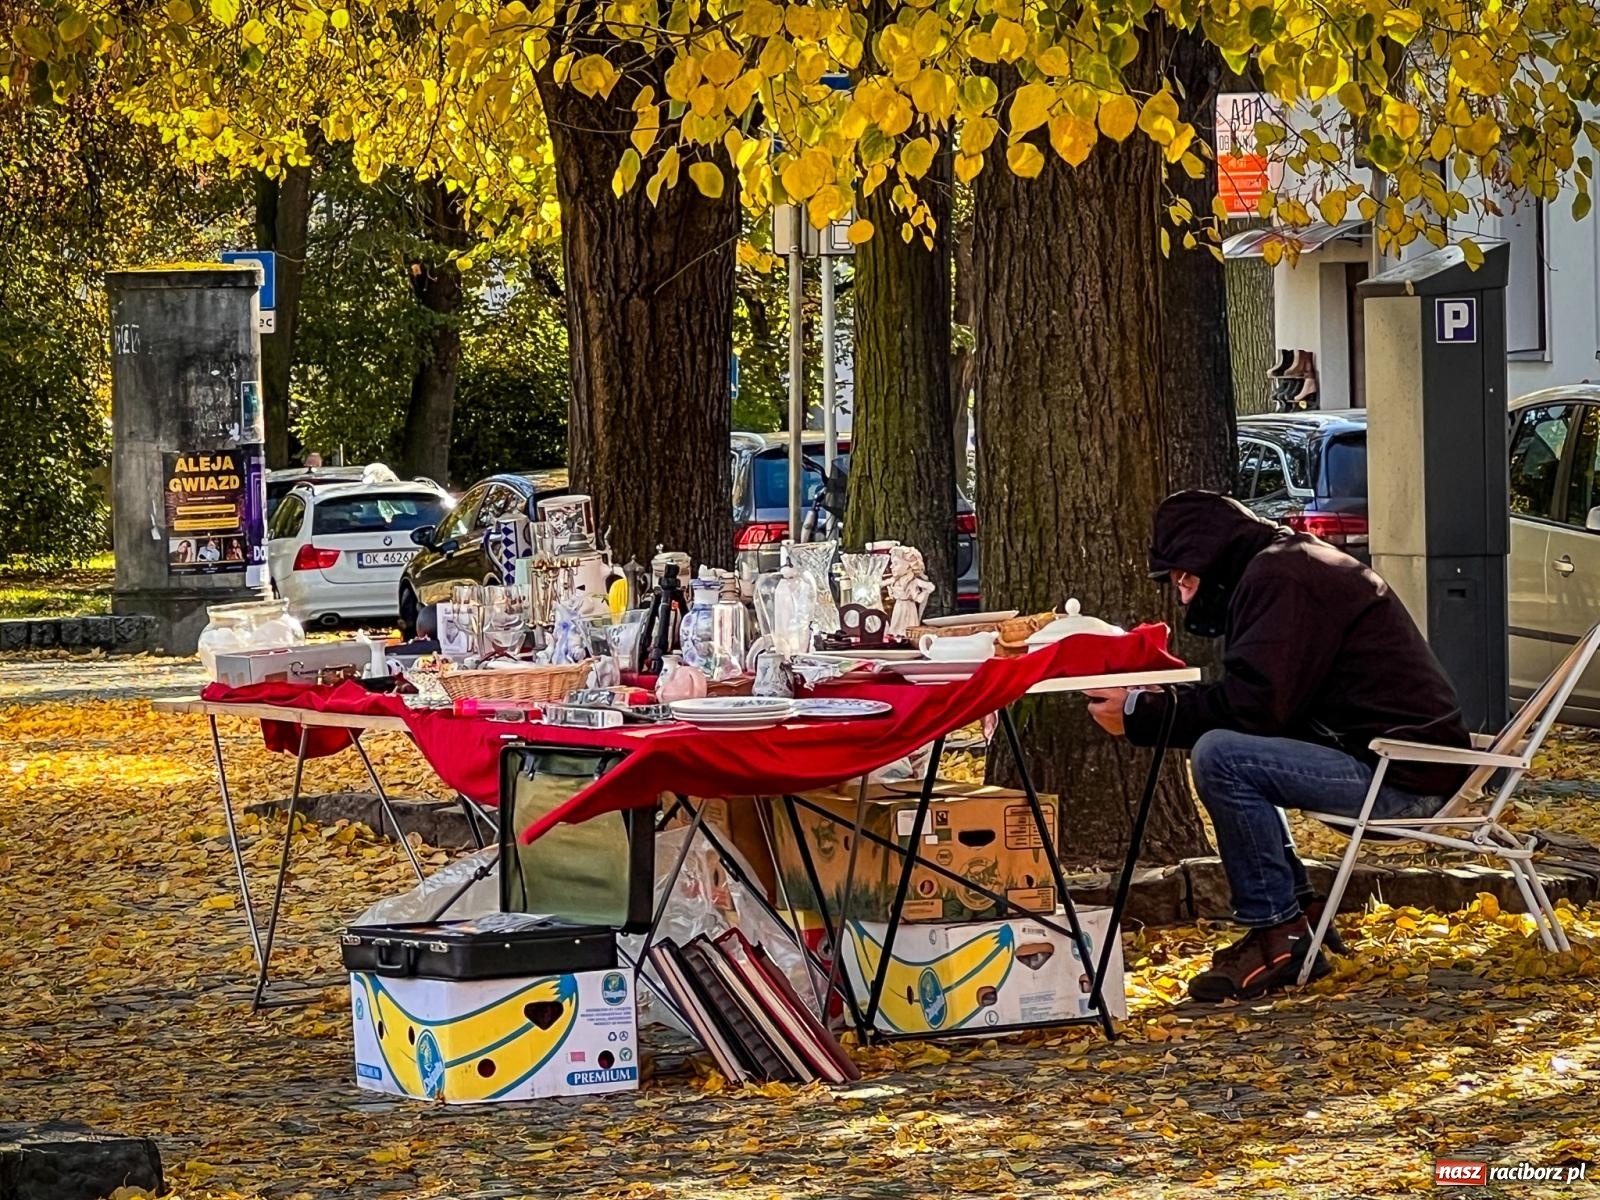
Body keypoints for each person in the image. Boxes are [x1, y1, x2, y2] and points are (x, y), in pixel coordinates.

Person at [1084, 491, 1470, 1003]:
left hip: (1400, 778)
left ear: (1209, 555)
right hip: (1401, 761)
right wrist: (1156, 705)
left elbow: (1256, 708)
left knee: (1222, 755)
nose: (1182, 597)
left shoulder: (1282, 576)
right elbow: (1266, 700)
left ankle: (1277, 932)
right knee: (1231, 750)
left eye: (1185, 578)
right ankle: (1296, 913)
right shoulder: (1288, 563)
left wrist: (1143, 715)